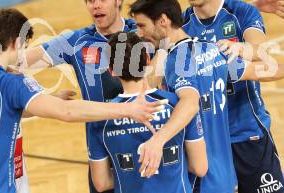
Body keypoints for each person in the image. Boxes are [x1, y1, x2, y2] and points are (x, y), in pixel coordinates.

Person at [21, 0, 284, 193]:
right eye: (90, 0)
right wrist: (41, 95)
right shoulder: (73, 41)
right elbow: (20, 63)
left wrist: (248, 9)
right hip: (107, 142)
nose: (96, 5)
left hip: (156, 137)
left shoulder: (145, 31)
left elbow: (185, 29)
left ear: (118, 0)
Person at [0, 8, 166, 193]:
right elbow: (67, 111)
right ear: (14, 42)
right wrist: (127, 108)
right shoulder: (11, 84)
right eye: (23, 46)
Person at [128, 0, 284, 193]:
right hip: (225, 174)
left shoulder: (174, 63)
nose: (140, 33)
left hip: (199, 176)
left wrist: (158, 139)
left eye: (142, 26)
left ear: (163, 21)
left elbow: (189, 102)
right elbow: (254, 70)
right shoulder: (212, 50)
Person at [177, 0, 284, 192]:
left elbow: (260, 48)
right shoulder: (181, 24)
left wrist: (241, 49)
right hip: (208, 141)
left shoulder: (241, 12)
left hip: (247, 133)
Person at [88, 31, 207, 193]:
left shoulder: (100, 118)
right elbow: (199, 167)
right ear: (147, 60)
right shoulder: (178, 105)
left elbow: (101, 183)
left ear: (111, 70)